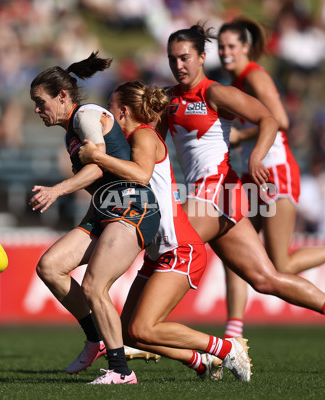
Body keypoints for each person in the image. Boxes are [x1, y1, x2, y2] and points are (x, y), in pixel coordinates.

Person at [157, 23, 325, 363]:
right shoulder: (169, 98)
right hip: (227, 191)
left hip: (240, 183)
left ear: (201, 57)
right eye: (172, 60)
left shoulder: (219, 90)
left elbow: (273, 119)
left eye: (185, 58)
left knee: (172, 246)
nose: (178, 65)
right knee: (268, 277)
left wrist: (253, 153)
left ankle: (145, 335)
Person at [216, 16, 325, 339]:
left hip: (274, 170)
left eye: (231, 46)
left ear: (246, 48)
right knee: (233, 252)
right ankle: (232, 338)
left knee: (280, 266)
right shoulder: (236, 81)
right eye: (221, 47)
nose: (225, 53)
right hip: (255, 174)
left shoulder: (254, 75)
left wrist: (240, 138)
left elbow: (280, 121)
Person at [74, 80, 249, 381]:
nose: (107, 115)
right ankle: (200, 361)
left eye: (111, 109)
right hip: (159, 252)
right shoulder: (129, 142)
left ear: (124, 110)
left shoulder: (143, 135)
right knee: (129, 333)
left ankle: (225, 347)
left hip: (180, 248)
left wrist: (98, 157)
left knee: (144, 328)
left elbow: (141, 176)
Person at [29, 52, 160, 385]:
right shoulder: (69, 133)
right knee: (49, 266)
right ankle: (95, 338)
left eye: (40, 102)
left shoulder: (86, 115)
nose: (37, 110)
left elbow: (98, 165)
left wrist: (57, 190)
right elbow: (99, 181)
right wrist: (90, 218)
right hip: (106, 211)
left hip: (133, 207)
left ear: (62, 96)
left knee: (94, 286)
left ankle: (120, 370)